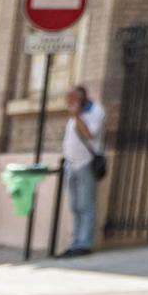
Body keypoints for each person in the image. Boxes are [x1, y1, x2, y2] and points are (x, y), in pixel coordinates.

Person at [59, 83, 105, 257]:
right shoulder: (73, 115)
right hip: (71, 164)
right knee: (75, 205)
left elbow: (89, 134)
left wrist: (77, 115)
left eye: (72, 99)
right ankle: (75, 242)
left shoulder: (95, 112)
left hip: (86, 164)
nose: (69, 102)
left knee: (86, 205)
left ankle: (85, 243)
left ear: (81, 98)